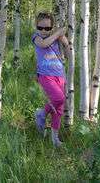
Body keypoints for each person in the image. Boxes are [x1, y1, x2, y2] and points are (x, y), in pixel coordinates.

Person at [32, 12, 70, 147]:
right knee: (59, 99)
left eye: (47, 28)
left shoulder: (55, 38)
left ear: (51, 28)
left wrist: (65, 43)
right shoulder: (36, 37)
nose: (43, 31)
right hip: (45, 75)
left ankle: (55, 139)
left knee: (58, 109)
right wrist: (57, 33)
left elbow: (67, 52)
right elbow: (43, 44)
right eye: (40, 27)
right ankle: (41, 113)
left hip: (59, 75)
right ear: (36, 26)